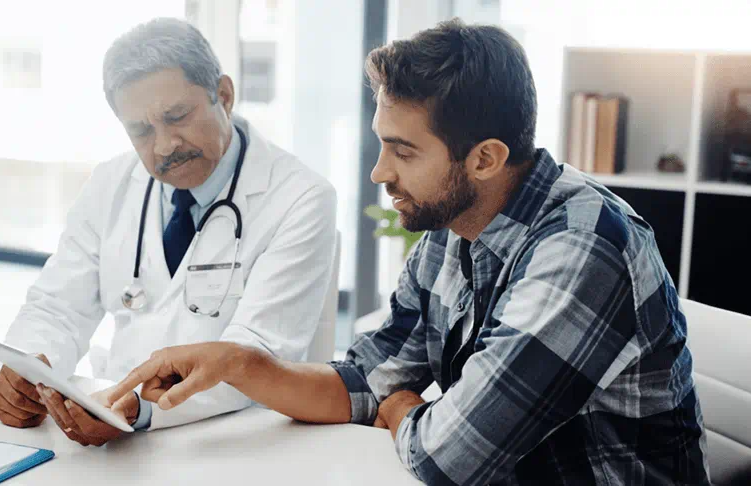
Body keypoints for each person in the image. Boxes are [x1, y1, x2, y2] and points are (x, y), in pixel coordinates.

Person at [106, 19, 709, 485]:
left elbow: (450, 457)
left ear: (485, 158)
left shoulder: (584, 249)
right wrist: (239, 362)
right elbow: (365, 381)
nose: (378, 172)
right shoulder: (455, 225)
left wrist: (400, 412)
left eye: (403, 151)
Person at [0, 17, 338, 447]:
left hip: (240, 443)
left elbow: (254, 357)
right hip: (112, 431)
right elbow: (57, 309)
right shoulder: (110, 183)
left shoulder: (301, 197)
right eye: (141, 130)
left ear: (223, 95)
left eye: (177, 117)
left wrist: (143, 409)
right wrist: (28, 377)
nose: (164, 145)